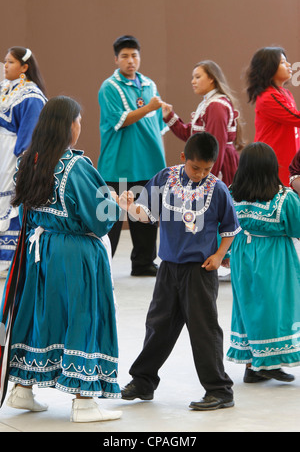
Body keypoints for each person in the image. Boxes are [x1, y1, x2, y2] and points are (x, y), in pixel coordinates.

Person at [1, 96, 122, 423]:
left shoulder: (30, 161)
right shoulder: (75, 166)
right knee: (83, 316)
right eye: (78, 121)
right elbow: (100, 220)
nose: (79, 126)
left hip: (38, 251)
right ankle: (84, 402)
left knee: (39, 314)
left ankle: (22, 390)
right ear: (68, 125)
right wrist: (113, 200)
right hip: (75, 253)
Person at [119, 132, 241, 411]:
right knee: (158, 324)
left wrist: (219, 254)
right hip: (168, 267)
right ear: (183, 158)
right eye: (196, 167)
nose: (200, 174)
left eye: (207, 169)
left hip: (199, 271)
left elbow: (230, 228)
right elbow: (146, 213)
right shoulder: (165, 178)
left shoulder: (218, 188)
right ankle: (143, 381)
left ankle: (220, 390)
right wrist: (127, 206)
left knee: (203, 329)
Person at [226, 143, 300, 383]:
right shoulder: (284, 198)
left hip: (241, 255)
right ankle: (267, 363)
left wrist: (224, 255)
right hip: (274, 259)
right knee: (275, 307)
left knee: (247, 305)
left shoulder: (230, 193)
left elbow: (221, 226)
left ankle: (255, 364)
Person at [97, 35, 168, 277]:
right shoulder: (109, 87)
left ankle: (144, 263)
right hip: (118, 165)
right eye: (125, 56)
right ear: (116, 59)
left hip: (149, 164)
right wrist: (149, 107)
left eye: (134, 55)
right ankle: (101, 265)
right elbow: (122, 120)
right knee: (110, 219)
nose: (131, 60)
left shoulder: (149, 84)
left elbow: (157, 126)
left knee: (147, 217)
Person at [0, 46, 47, 278]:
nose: (5, 65)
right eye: (5, 62)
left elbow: (29, 135)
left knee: (9, 204)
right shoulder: (4, 88)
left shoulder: (31, 96)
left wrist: (22, 163)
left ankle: (7, 260)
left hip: (10, 157)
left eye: (10, 62)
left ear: (24, 68)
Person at [162, 60, 243, 187]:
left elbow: (216, 147)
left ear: (211, 78)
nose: (193, 81)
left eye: (198, 77)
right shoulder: (208, 103)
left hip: (220, 167)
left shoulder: (216, 106)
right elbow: (192, 136)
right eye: (193, 77)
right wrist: (169, 116)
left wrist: (207, 181)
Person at [246, 46, 300, 186]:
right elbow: (296, 118)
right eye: (282, 62)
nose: (288, 65)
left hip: (288, 163)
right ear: (268, 68)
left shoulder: (285, 93)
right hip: (274, 164)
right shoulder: (268, 97)